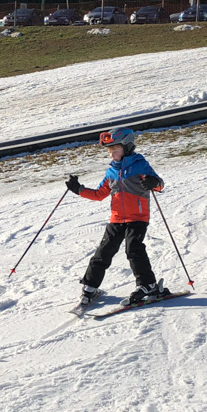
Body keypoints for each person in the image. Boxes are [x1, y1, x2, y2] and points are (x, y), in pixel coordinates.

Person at [66, 128, 168, 307]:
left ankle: (148, 285)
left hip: (137, 217)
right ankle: (90, 287)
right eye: (109, 150)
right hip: (116, 219)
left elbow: (159, 185)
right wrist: (78, 189)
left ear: (127, 147)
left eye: (115, 149)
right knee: (103, 251)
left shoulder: (139, 165)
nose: (112, 153)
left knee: (134, 249)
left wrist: (153, 183)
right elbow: (99, 194)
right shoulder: (111, 172)